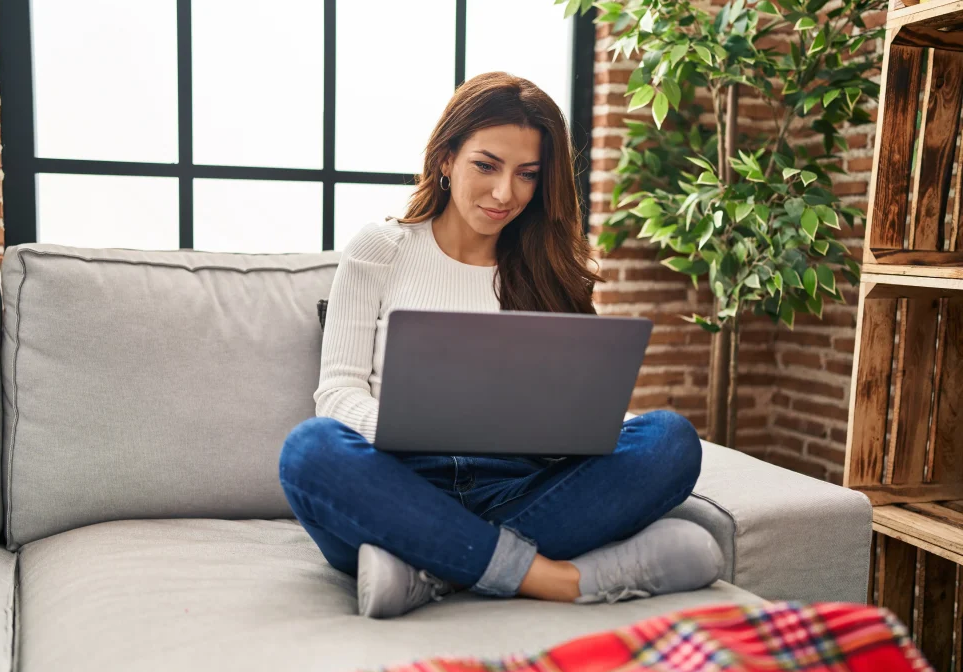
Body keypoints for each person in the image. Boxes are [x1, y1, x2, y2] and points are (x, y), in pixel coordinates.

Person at [279, 72, 722, 619]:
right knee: (309, 450)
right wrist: (412, 430)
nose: (504, 193)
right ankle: (557, 579)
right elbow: (338, 395)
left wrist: (599, 423)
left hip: (516, 487)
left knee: (670, 440)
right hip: (400, 485)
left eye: (527, 175)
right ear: (445, 158)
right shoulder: (381, 250)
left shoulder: (553, 271)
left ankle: (432, 567)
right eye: (486, 165)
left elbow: (576, 405)